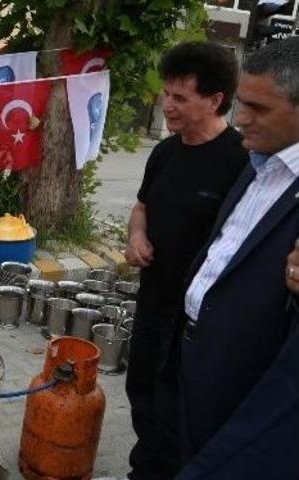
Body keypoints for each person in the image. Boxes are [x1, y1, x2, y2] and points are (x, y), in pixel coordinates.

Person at [168, 36, 299, 478]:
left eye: (259, 110)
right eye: (242, 104)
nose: (241, 121)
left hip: (250, 380)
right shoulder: (259, 162)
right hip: (196, 355)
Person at [122, 42, 247, 480]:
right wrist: (136, 237)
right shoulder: (165, 152)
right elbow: (142, 207)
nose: (166, 106)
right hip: (154, 303)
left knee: (181, 413)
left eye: (180, 98)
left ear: (215, 101)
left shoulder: (241, 162)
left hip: (200, 322)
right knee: (141, 394)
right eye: (166, 94)